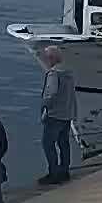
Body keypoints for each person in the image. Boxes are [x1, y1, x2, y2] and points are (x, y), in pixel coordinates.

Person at [38, 45, 78, 185]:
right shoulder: (68, 72)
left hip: (54, 115)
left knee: (48, 144)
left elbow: (51, 93)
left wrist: (45, 108)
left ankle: (53, 173)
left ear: (50, 59)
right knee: (64, 144)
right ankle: (64, 171)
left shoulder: (54, 73)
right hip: (67, 114)